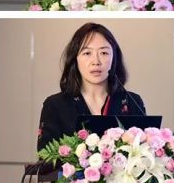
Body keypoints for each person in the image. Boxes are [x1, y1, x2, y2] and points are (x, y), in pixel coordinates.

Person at [37, 23, 145, 151]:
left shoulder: (132, 102)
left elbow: (144, 152)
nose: (96, 61)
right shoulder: (55, 105)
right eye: (87, 53)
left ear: (114, 58)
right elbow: (45, 157)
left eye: (104, 53)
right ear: (75, 59)